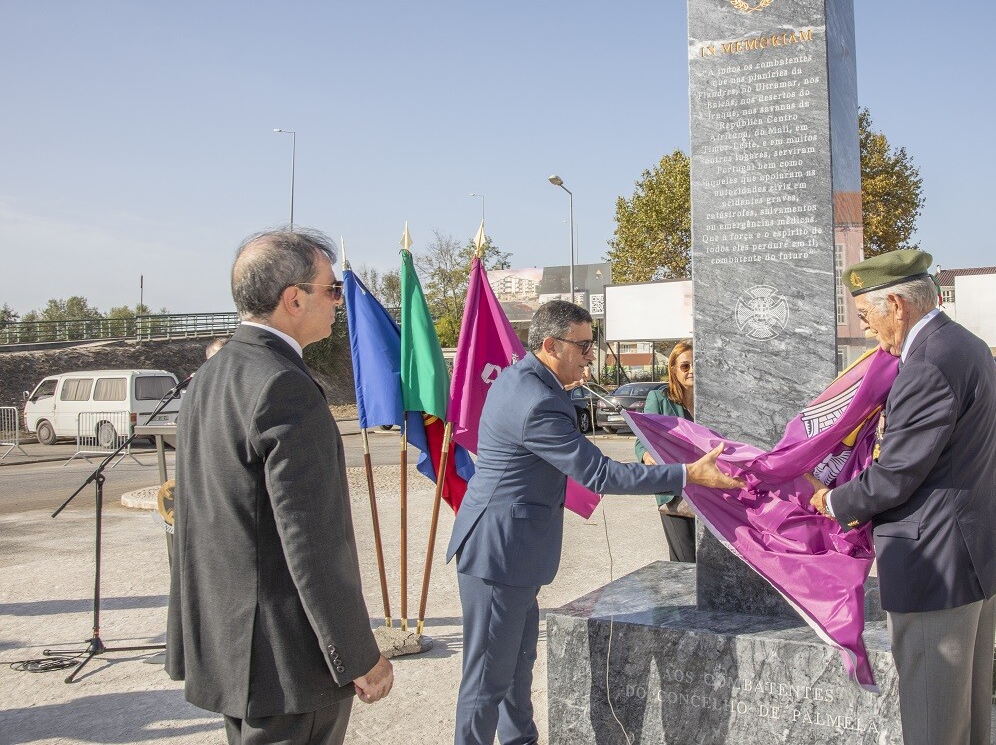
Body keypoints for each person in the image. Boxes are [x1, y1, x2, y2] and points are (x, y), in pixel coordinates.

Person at [446, 300, 742, 745]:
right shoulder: (536, 400)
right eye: (584, 346)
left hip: (514, 552)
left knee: (516, 668)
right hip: (498, 553)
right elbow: (600, 474)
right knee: (487, 681)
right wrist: (686, 474)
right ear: (551, 345)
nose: (590, 354)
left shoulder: (530, 380)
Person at [166, 228, 392, 745]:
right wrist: (357, 654)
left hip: (232, 646)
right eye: (332, 290)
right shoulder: (282, 384)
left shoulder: (211, 375)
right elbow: (311, 539)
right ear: (294, 299)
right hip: (286, 661)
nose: (339, 302)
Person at [809, 248, 996, 745]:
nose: (866, 328)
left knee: (933, 723)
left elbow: (897, 474)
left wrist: (830, 501)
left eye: (865, 314)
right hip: (968, 555)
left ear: (897, 306)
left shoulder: (926, 363)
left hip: (935, 566)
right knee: (965, 717)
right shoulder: (965, 344)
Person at [635, 338, 697, 562]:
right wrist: (646, 454)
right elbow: (642, 439)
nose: (692, 371)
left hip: (706, 489)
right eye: (685, 366)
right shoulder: (659, 398)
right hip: (673, 490)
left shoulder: (711, 402)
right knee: (684, 560)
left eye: (697, 364)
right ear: (673, 369)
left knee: (708, 561)